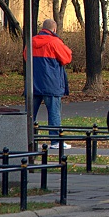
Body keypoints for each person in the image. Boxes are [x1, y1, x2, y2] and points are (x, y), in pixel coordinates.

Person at [25, 19, 72, 149]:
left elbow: (25, 57)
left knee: (29, 113)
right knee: (54, 112)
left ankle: (26, 139)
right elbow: (67, 58)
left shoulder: (31, 41)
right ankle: (56, 141)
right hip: (51, 84)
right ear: (54, 30)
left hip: (33, 84)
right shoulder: (55, 42)